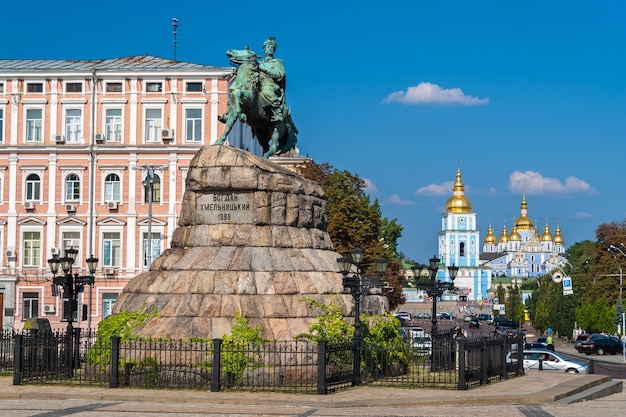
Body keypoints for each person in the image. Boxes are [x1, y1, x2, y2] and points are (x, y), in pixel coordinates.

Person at [259, 37, 287, 122]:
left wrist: (265, 69)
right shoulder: (259, 63)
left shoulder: (277, 62)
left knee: (267, 91)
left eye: (272, 47)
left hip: (271, 85)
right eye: (268, 47)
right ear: (264, 49)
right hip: (259, 85)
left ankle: (278, 112)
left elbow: (280, 75)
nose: (270, 49)